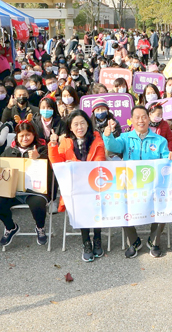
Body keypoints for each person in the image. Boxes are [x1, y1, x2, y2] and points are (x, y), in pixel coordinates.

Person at [102, 106, 171, 258]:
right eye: (137, 117)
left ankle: (154, 241)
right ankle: (133, 241)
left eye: (144, 117)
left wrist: (171, 156)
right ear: (131, 120)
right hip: (130, 185)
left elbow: (166, 161)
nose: (141, 120)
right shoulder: (125, 138)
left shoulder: (160, 140)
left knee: (165, 204)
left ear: (149, 118)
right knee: (120, 204)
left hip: (153, 184)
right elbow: (113, 146)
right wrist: (108, 136)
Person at [49, 110, 106, 261]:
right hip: (75, 186)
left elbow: (98, 164)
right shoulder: (66, 142)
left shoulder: (97, 140)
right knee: (81, 205)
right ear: (70, 127)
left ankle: (98, 238)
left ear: (88, 124)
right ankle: (86, 241)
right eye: (75, 124)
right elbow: (56, 163)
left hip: (95, 184)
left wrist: (75, 164)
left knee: (94, 202)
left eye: (82, 123)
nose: (79, 127)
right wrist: (53, 144)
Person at [0, 117, 53, 248]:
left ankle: (40, 227)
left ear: (34, 135)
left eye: (28, 135)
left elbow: (51, 170)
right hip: (13, 190)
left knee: (37, 204)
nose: (25, 138)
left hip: (35, 191)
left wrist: (40, 158)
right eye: (21, 136)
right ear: (16, 137)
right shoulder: (9, 151)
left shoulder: (41, 149)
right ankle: (11, 227)